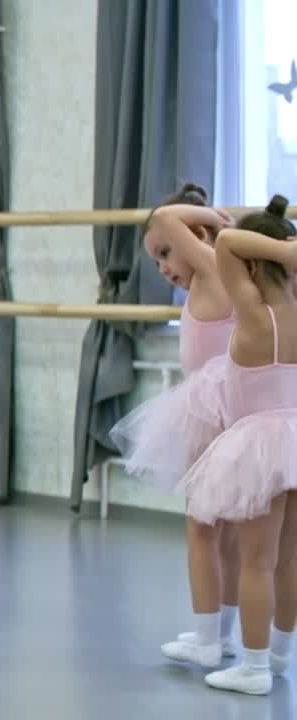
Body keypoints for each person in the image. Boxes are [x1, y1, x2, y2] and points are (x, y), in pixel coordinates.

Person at [109, 184, 242, 666]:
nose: (164, 268)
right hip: (232, 409)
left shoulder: (213, 267)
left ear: (196, 235)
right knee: (226, 534)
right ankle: (219, 634)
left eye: (166, 253)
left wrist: (211, 217)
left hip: (211, 412)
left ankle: (207, 641)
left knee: (202, 530)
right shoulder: (227, 272)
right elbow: (167, 223)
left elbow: (165, 217)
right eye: (156, 261)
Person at [178, 196, 297, 695]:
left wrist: (284, 251)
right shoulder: (293, 312)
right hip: (295, 441)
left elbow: (225, 239)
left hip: (260, 448)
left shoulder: (253, 315)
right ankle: (280, 655)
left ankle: (253, 668)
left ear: (251, 266)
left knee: (256, 561)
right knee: (288, 560)